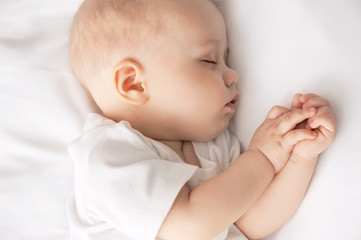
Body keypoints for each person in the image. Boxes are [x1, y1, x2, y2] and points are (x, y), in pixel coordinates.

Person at [67, 0, 336, 239]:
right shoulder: (107, 157)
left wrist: (300, 157)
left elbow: (249, 225)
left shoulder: (214, 146)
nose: (233, 75)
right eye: (208, 61)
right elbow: (188, 227)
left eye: (226, 60)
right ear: (134, 84)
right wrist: (263, 158)